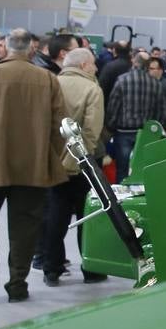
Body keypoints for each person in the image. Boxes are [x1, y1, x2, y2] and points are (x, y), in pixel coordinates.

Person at [0, 29, 68, 302]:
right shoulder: (48, 80)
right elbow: (60, 126)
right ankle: (17, 284)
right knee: (25, 227)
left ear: (5, 47)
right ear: (32, 48)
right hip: (34, 167)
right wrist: (48, 156)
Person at [43, 47, 106, 285]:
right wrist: (81, 159)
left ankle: (51, 269)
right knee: (86, 216)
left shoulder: (51, 84)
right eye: (93, 64)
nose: (96, 68)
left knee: (55, 215)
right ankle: (91, 269)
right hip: (81, 164)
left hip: (52, 161)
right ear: (83, 66)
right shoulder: (92, 89)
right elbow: (91, 130)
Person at [106, 52, 166, 182]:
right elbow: (161, 113)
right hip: (146, 134)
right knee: (142, 171)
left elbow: (113, 107)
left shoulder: (122, 80)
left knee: (122, 170)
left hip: (123, 132)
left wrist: (111, 127)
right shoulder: (155, 84)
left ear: (134, 62)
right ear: (147, 65)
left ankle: (122, 193)